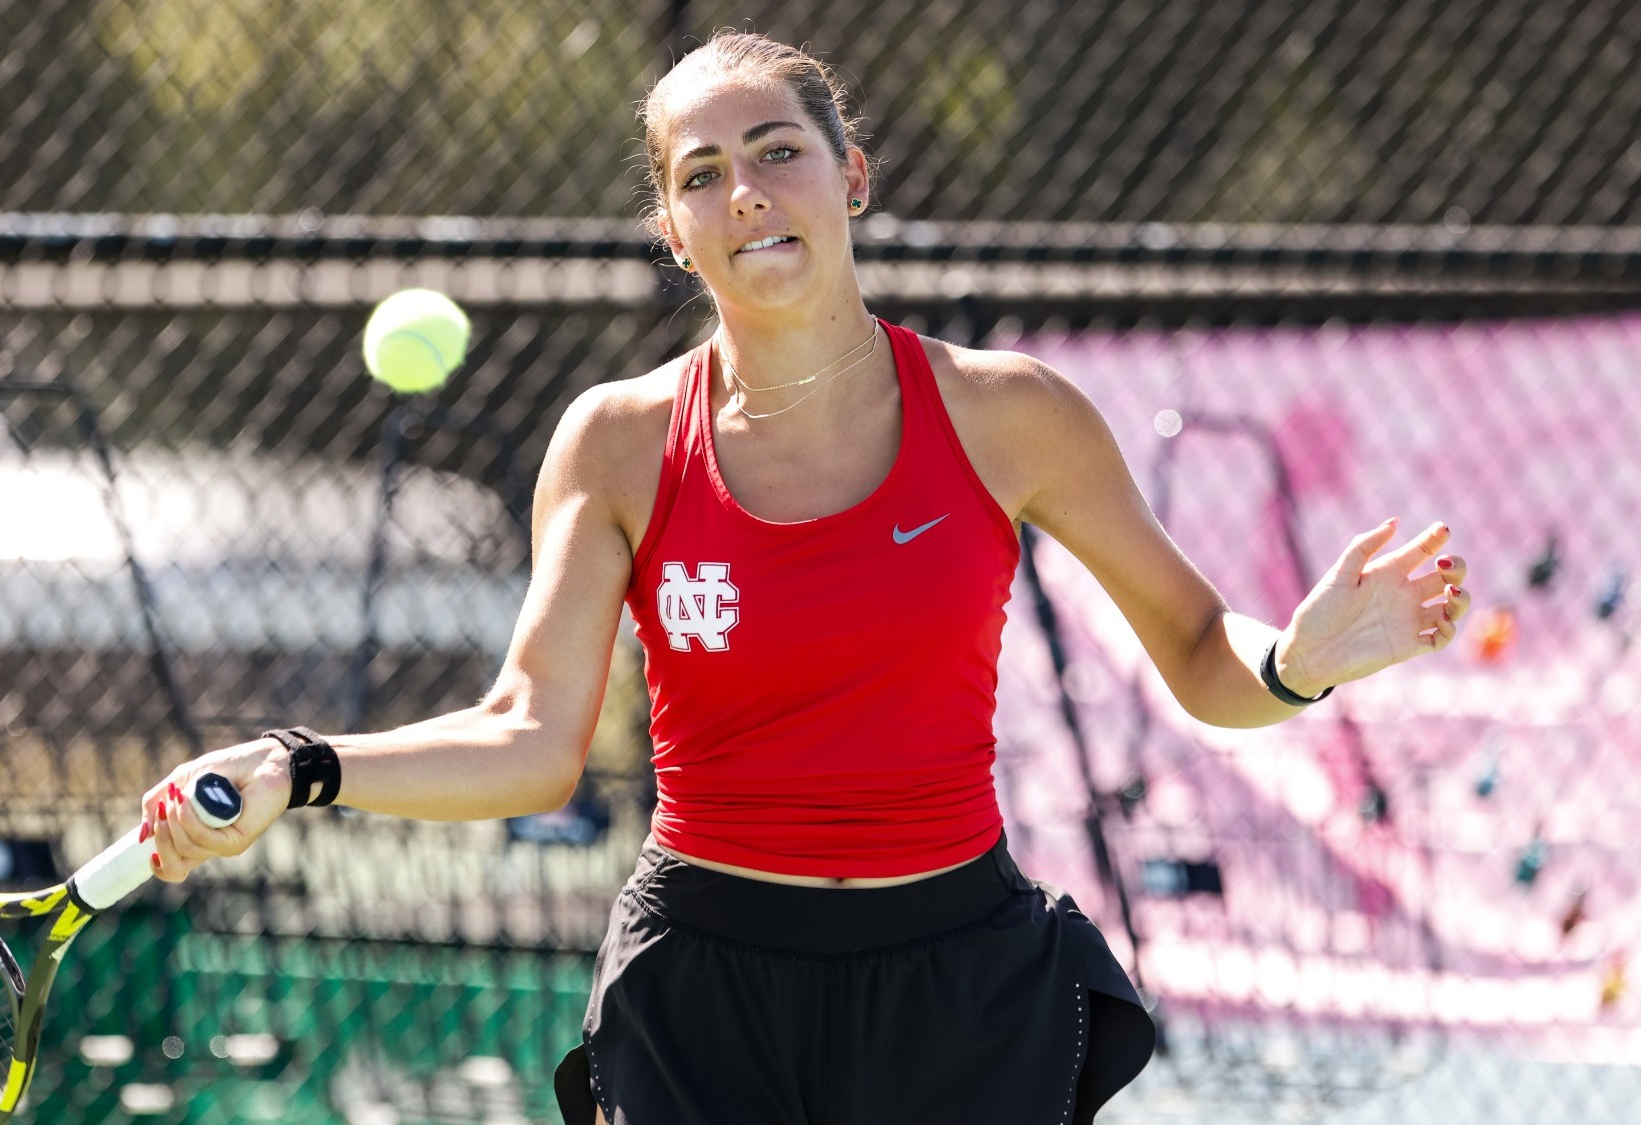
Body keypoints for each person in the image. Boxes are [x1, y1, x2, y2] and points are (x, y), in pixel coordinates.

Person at [142, 31, 1474, 1125]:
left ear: (852, 177)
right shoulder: (614, 441)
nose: (747, 194)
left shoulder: (1010, 414)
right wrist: (299, 765)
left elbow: (1199, 651)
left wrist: (1297, 663)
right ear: (673, 228)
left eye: (779, 153)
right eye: (704, 173)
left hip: (960, 982)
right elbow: (528, 738)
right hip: (703, 988)